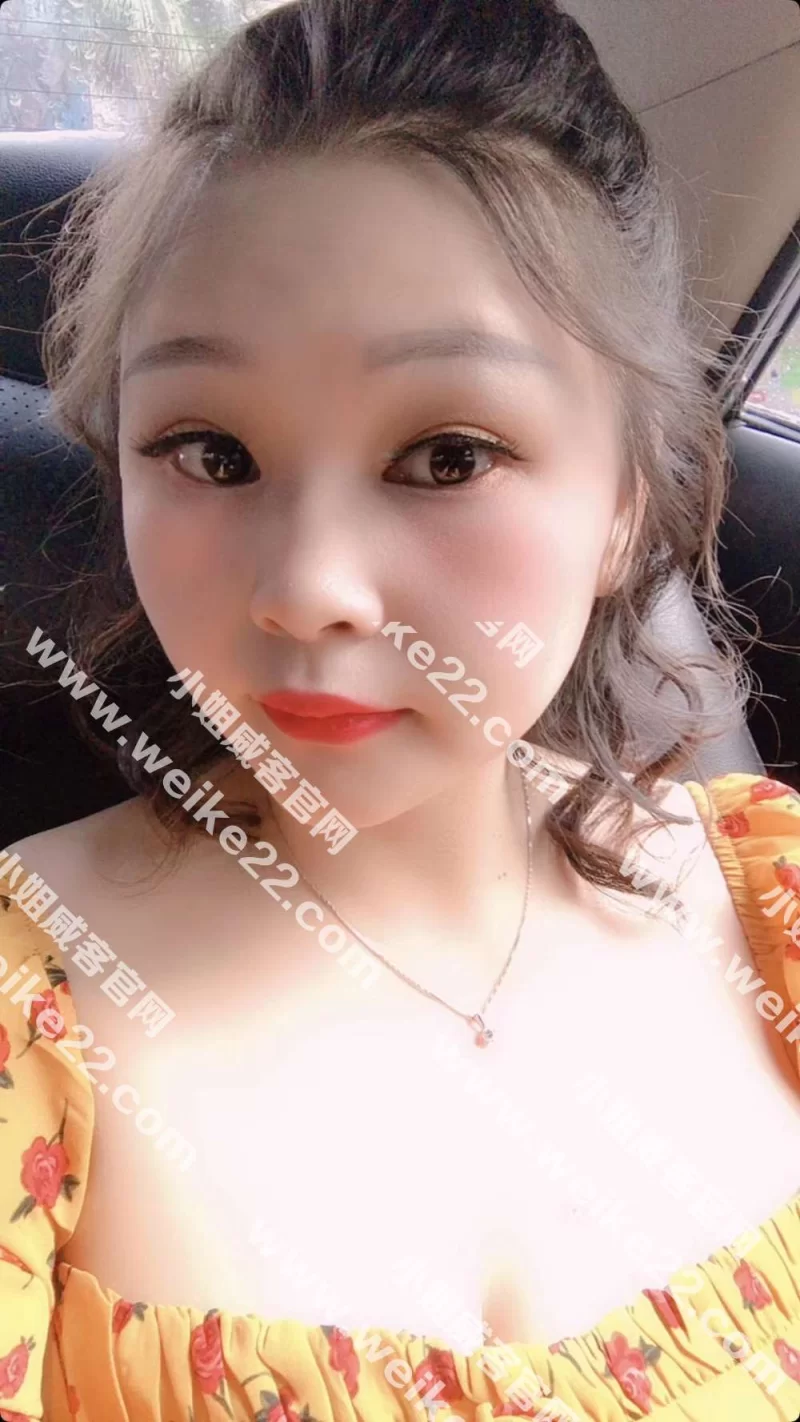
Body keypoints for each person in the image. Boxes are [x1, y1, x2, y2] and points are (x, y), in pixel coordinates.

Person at [1, 1, 799, 1417]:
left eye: (446, 455)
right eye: (210, 450)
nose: (307, 589)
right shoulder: (30, 1014)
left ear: (624, 501)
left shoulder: (774, 907)